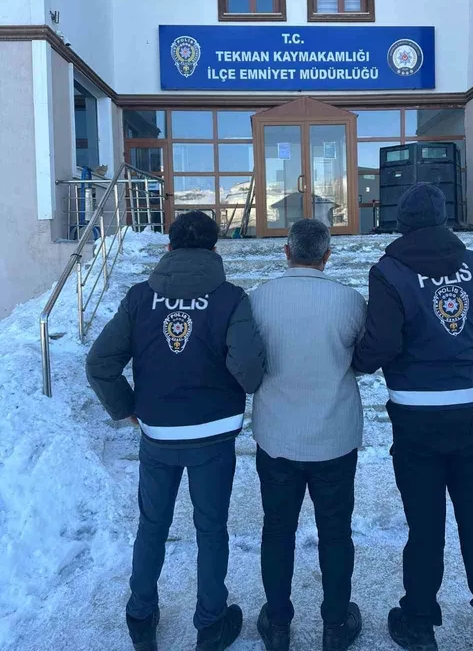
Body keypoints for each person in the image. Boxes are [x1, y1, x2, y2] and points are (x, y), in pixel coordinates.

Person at [85, 210, 265, 651]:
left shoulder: (139, 298)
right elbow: (248, 370)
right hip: (213, 435)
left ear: (168, 248)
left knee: (152, 525)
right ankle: (211, 623)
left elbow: (100, 363)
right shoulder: (231, 298)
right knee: (211, 529)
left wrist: (126, 407)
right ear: (215, 249)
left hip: (159, 435)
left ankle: (140, 615)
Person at [353, 183, 473, 651]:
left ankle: (419, 623)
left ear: (402, 223)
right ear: (445, 219)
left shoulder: (389, 271)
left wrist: (355, 361)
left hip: (416, 420)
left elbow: (383, 343)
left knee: (424, 527)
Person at [250, 219, 367, 651]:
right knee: (336, 532)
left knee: (277, 530)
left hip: (277, 435)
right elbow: (364, 355)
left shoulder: (259, 299)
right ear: (327, 255)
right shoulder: (349, 300)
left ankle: (278, 624)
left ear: (286, 251)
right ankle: (335, 624)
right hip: (334, 436)